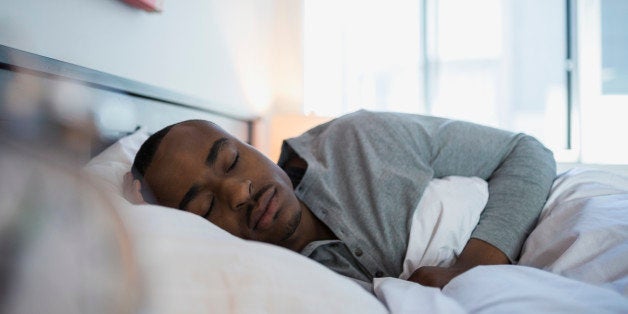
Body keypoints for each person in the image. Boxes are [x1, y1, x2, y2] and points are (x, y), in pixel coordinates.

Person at [123, 110, 556, 291]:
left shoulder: (361, 140)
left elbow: (525, 151)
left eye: (233, 160)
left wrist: (472, 266)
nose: (238, 192)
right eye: (204, 208)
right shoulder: (261, 287)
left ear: (252, 146)